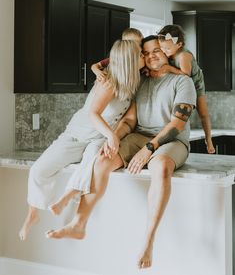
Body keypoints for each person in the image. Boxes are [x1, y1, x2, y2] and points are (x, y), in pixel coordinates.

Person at [46, 36, 196, 270]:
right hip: (139, 136)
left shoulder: (182, 82)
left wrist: (149, 149)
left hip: (172, 140)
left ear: (166, 53)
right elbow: (129, 120)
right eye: (146, 53)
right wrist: (113, 137)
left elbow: (177, 124)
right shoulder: (141, 81)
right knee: (102, 159)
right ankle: (78, 224)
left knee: (161, 166)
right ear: (142, 57)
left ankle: (148, 240)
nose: (152, 55)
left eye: (157, 50)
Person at [19, 39, 144, 241]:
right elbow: (94, 114)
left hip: (97, 138)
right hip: (77, 134)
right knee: (39, 170)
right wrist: (112, 135)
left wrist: (111, 137)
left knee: (92, 162)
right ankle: (32, 213)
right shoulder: (109, 82)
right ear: (130, 60)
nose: (144, 56)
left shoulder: (134, 82)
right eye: (140, 54)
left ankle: (67, 197)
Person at [155, 24, 215, 154]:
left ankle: (208, 139)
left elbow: (186, 74)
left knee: (203, 113)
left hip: (195, 83)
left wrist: (169, 68)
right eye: (162, 48)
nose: (164, 51)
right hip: (180, 87)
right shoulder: (169, 53)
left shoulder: (183, 56)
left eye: (167, 48)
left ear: (179, 45)